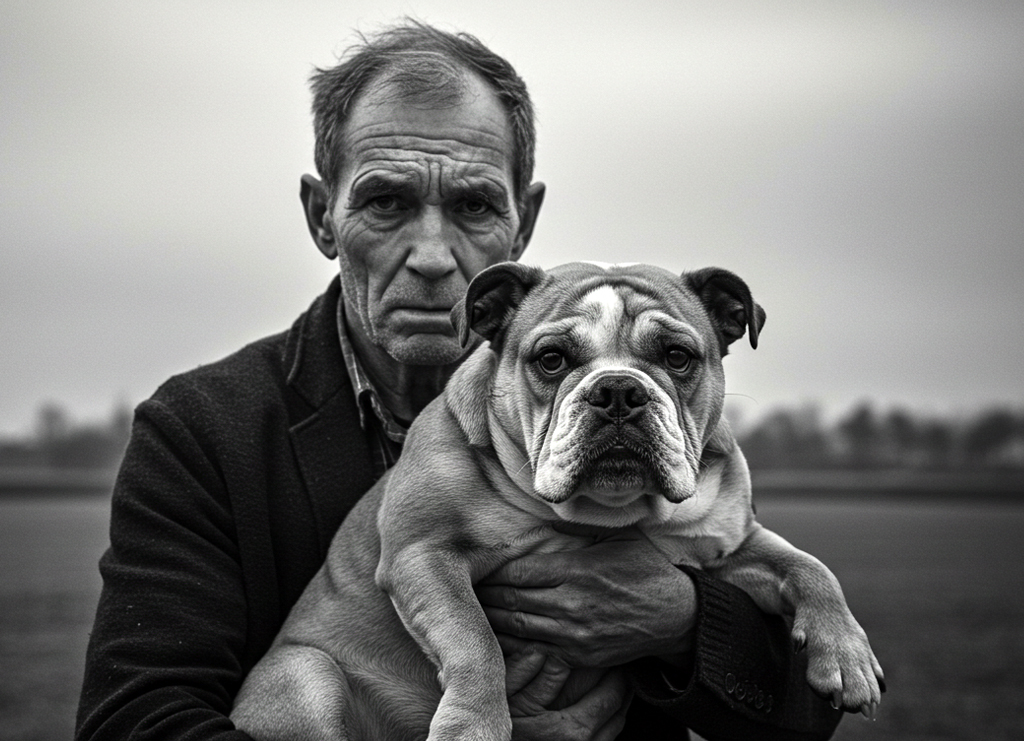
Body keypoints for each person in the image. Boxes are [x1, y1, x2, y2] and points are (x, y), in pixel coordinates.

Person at [76, 20, 844, 741]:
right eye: (386, 201)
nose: (435, 254)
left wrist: (684, 622)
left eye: (475, 205)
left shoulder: (675, 437)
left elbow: (813, 711)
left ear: (525, 223)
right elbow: (137, 716)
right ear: (322, 217)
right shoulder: (203, 429)